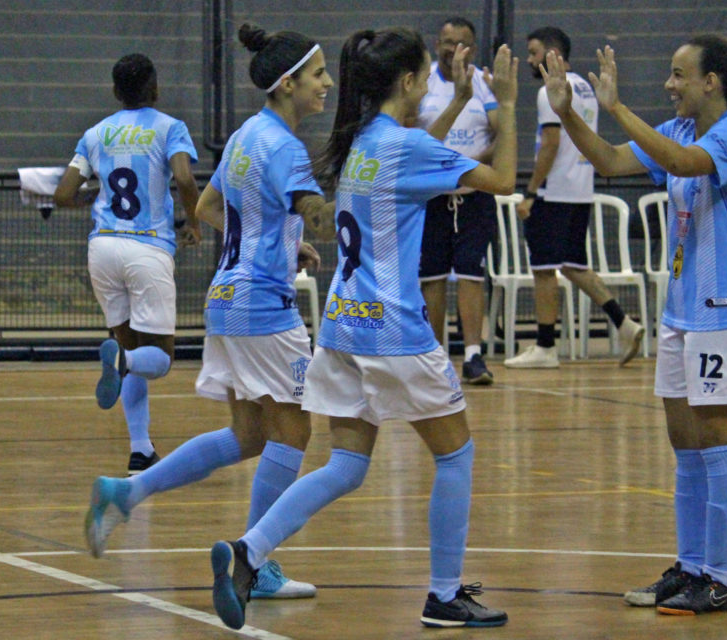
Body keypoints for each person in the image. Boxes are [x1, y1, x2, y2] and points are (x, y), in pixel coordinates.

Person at [209, 27, 519, 630]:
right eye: (427, 77)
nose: (430, 86)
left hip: (343, 326)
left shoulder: (361, 144)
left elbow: (419, 157)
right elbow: (504, 181)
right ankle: (444, 594)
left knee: (346, 466)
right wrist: (504, 104)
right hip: (395, 332)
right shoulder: (405, 147)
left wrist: (455, 101)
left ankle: (249, 550)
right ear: (405, 82)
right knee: (456, 455)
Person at [82, 23, 336, 599]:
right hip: (264, 307)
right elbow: (316, 210)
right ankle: (256, 561)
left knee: (248, 436)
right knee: (294, 434)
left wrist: (277, 237)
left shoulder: (248, 135)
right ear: (288, 83)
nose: (328, 84)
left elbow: (207, 206)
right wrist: (351, 220)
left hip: (225, 297)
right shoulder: (286, 147)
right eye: (319, 75)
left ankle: (128, 492)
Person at [541, 33, 727, 614]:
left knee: (719, 442)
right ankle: (690, 567)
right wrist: (568, 114)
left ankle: (720, 578)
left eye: (677, 75)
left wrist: (617, 104)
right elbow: (613, 161)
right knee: (685, 448)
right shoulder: (678, 129)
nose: (669, 85)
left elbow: (681, 165)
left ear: (710, 82)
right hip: (680, 310)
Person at [54, 53, 201, 475]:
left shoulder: (95, 134)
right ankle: (125, 364)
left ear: (116, 92)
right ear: (155, 88)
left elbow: (63, 194)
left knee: (129, 344)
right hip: (147, 248)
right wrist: (194, 222)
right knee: (156, 358)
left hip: (102, 250)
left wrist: (92, 199)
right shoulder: (169, 127)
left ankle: (141, 451)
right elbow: (186, 179)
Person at [504, 27, 645, 369]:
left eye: (535, 52)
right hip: (581, 190)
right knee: (572, 265)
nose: (531, 60)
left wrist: (532, 192)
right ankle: (625, 324)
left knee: (543, 269)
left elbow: (550, 144)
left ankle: (545, 346)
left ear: (552, 53)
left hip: (554, 192)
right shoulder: (583, 85)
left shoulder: (550, 90)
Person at [415, 16, 499, 385]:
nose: (452, 49)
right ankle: (436, 356)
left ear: (473, 49)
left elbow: (503, 133)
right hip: (431, 196)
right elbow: (406, 129)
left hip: (474, 195)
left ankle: (473, 356)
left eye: (460, 43)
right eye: (447, 41)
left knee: (470, 273)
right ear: (438, 44)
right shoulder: (423, 83)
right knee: (431, 277)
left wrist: (477, 163)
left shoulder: (484, 84)